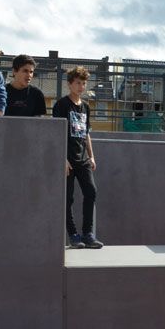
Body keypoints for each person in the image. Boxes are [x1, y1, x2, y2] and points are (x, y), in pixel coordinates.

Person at [52, 66, 103, 249]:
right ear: (69, 84)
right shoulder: (61, 105)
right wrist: (62, 158)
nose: (81, 86)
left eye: (84, 83)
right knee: (69, 198)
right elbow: (57, 133)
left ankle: (88, 234)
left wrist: (92, 156)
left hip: (83, 160)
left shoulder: (85, 107)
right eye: (78, 83)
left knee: (91, 192)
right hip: (67, 159)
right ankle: (73, 234)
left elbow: (86, 133)